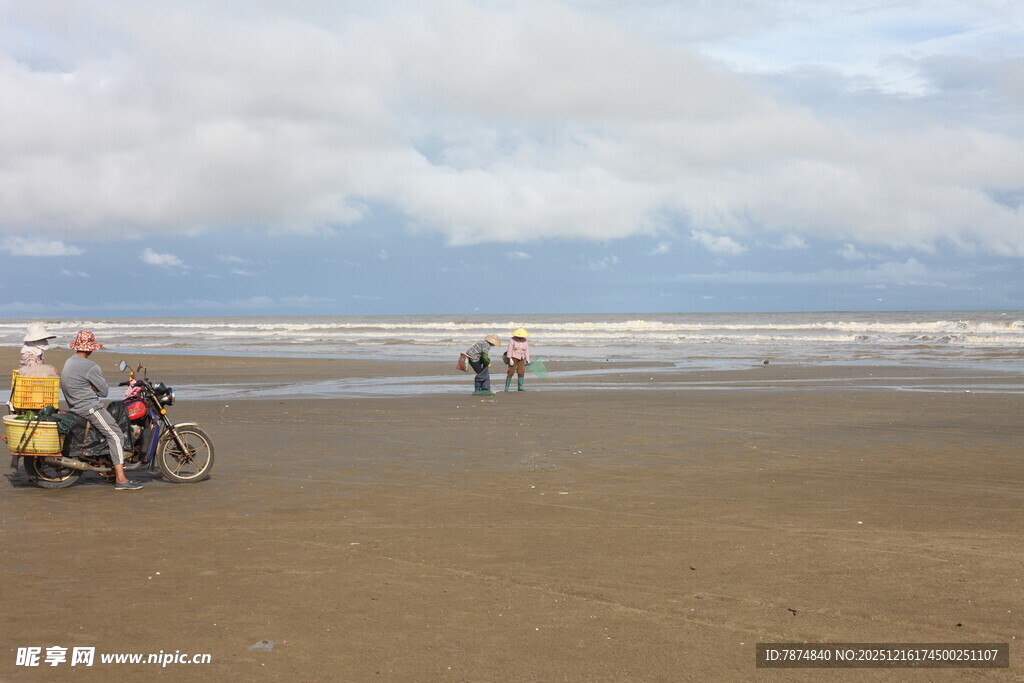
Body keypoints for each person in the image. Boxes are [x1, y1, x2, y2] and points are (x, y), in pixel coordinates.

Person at [61, 330, 142, 491]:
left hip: (75, 406)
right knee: (117, 435)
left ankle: (111, 468)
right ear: (90, 348)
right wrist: (93, 388)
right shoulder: (90, 366)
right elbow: (104, 391)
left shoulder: (69, 362)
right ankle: (121, 478)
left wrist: (89, 387)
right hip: (90, 407)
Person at [504, 327, 531, 392]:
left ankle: (520, 387)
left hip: (521, 358)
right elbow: (509, 349)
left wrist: (527, 359)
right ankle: (507, 387)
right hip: (513, 357)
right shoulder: (512, 340)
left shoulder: (525, 340)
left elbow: (526, 350)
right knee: (511, 372)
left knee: (521, 372)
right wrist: (510, 358)